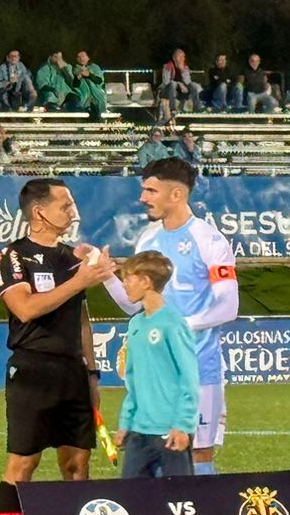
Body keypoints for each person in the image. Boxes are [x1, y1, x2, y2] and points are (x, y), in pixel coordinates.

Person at [102, 158, 238, 475]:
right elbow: (133, 305)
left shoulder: (209, 240)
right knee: (152, 459)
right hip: (154, 376)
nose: (142, 198)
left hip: (199, 370)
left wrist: (176, 327)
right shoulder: (148, 238)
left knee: (197, 456)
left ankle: (198, 509)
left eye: (151, 190)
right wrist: (107, 276)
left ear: (176, 194)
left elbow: (228, 307)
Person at [0, 178, 117, 512]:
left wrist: (92, 375)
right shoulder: (12, 255)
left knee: (77, 463)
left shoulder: (72, 258)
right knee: (23, 464)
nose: (73, 212)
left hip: (73, 371)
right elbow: (25, 308)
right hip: (33, 370)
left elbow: (82, 321)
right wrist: (80, 281)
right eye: (65, 206)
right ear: (39, 212)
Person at [114, 250, 199, 479]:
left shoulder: (173, 323)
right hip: (138, 431)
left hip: (170, 430)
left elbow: (189, 378)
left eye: (128, 278)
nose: (124, 285)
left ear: (145, 281)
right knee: (131, 497)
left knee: (179, 497)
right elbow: (133, 380)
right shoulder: (135, 324)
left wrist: (182, 425)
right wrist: (125, 422)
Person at [156, 50, 197, 122]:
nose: (182, 59)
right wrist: (179, 84)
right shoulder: (168, 66)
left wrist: (182, 70)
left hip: (180, 92)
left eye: (183, 57)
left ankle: (197, 108)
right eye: (179, 56)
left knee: (193, 85)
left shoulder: (185, 68)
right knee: (172, 84)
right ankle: (173, 109)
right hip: (167, 91)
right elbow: (166, 82)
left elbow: (188, 82)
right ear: (174, 58)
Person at [70, 52, 107, 119]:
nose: (81, 58)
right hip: (82, 95)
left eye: (83, 56)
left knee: (98, 105)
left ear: (88, 57)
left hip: (97, 95)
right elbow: (74, 85)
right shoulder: (74, 69)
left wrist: (89, 75)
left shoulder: (95, 67)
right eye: (79, 57)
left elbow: (99, 80)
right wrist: (78, 77)